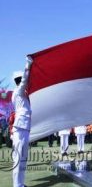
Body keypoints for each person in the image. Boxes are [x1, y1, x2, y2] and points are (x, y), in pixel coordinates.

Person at [12, 57, 32, 187]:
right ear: (19, 81)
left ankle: (20, 184)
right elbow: (25, 79)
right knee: (19, 159)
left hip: (23, 128)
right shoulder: (19, 92)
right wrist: (28, 64)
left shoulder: (22, 93)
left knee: (22, 159)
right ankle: (17, 185)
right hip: (20, 128)